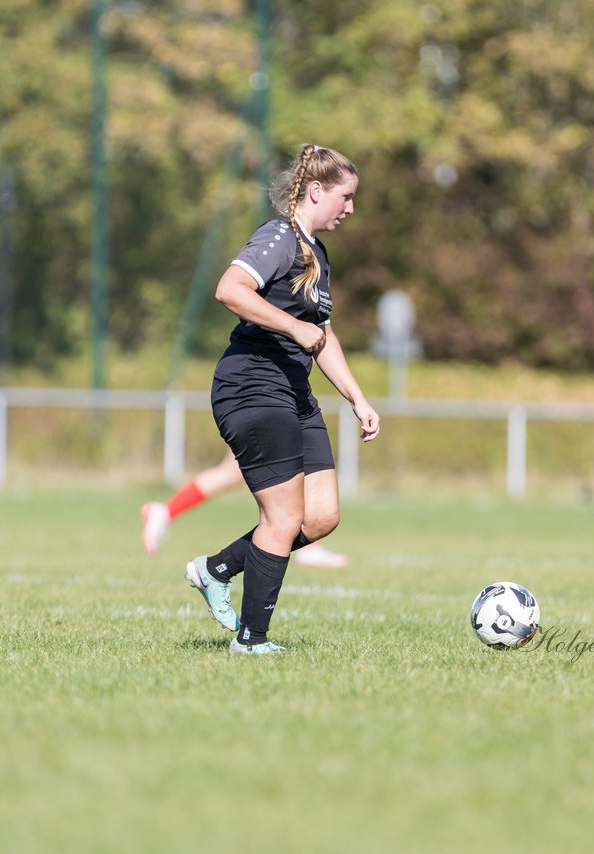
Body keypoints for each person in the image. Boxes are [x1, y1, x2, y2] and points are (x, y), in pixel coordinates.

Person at [183, 143, 380, 655]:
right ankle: (252, 640)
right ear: (316, 190)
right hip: (252, 386)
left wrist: (357, 399)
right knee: (283, 517)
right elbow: (230, 290)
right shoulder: (277, 239)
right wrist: (294, 326)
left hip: (295, 392)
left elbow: (323, 337)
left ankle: (215, 570)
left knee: (321, 517)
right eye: (346, 196)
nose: (350, 208)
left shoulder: (318, 255)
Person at [141, 449, 350, 568]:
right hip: (262, 396)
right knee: (299, 458)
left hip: (255, 395)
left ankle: (165, 511)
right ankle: (165, 511)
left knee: (231, 473)